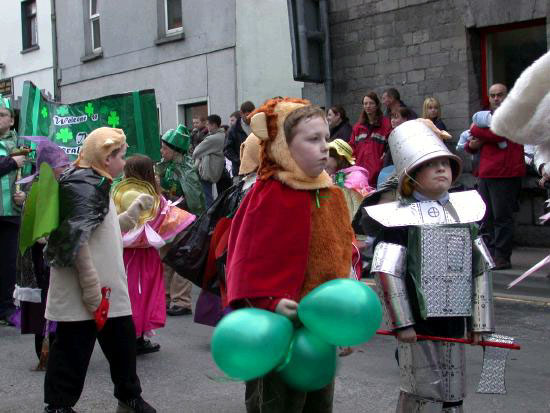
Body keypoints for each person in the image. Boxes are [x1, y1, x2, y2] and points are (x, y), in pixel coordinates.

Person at [226, 98, 353, 412]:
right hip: (278, 329)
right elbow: (244, 262)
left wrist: (345, 320)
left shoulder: (333, 195)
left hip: (321, 325)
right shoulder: (267, 195)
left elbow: (343, 255)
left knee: (319, 401)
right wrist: (268, 302)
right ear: (283, 145)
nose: (325, 147)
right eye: (312, 139)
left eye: (326, 137)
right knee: (277, 401)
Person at [367, 119, 495, 412]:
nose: (441, 169)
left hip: (454, 321)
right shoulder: (397, 219)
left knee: (453, 389)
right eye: (431, 164)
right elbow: (387, 271)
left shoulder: (465, 213)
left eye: (446, 164)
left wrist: (480, 323)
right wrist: (403, 322)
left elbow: (481, 267)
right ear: (411, 175)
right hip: (418, 322)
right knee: (419, 389)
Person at [43, 127, 156, 413]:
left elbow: (101, 229)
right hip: (86, 288)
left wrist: (131, 215)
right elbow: (75, 242)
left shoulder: (96, 180)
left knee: (123, 346)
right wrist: (92, 290)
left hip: (107, 288)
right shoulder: (83, 184)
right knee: (71, 350)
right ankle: (58, 407)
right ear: (107, 158)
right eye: (121, 156)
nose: (124, 162)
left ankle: (129, 397)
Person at [115, 155, 196, 355]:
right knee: (142, 294)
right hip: (145, 254)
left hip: (128, 255)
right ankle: (135, 337)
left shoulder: (124, 193)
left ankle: (132, 337)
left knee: (133, 294)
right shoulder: (151, 196)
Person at [14, 139, 70, 369]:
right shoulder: (40, 189)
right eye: (61, 165)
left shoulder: (51, 186)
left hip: (48, 255)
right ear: (48, 166)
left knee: (52, 303)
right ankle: (47, 349)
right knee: (47, 303)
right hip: (41, 259)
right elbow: (37, 231)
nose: (65, 168)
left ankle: (52, 348)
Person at [464, 83, 525, 269]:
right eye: (492, 95)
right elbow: (471, 143)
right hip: (486, 173)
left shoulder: (513, 114)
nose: (496, 98)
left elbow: (497, 134)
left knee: (502, 217)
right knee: (486, 217)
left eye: (500, 95)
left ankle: (502, 257)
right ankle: (490, 254)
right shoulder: (486, 118)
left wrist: (474, 127)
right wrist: (472, 144)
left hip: (505, 174)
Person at [156, 124, 204, 317]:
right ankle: (166, 297)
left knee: (181, 259)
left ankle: (181, 301)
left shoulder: (188, 170)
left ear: (175, 150)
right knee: (165, 259)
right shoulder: (163, 167)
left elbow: (195, 198)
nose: (162, 151)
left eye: (165, 148)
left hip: (184, 221)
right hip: (167, 221)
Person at [349, 92, 393, 187]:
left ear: (377, 105)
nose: (368, 106)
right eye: (365, 103)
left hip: (378, 175)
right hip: (359, 175)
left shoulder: (386, 125)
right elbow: (351, 149)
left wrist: (381, 164)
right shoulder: (357, 127)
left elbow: (389, 149)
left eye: (371, 103)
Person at [192, 114, 226, 208]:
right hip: (218, 170)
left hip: (208, 171)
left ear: (214, 125)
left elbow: (196, 152)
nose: (207, 127)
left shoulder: (212, 138)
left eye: (208, 124)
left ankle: (209, 218)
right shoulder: (223, 135)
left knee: (207, 197)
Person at [224, 101, 255, 176]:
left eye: (253, 114)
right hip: (240, 170)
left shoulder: (258, 125)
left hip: (257, 168)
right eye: (247, 115)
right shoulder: (233, 130)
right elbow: (227, 150)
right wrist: (239, 160)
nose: (250, 117)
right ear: (241, 113)